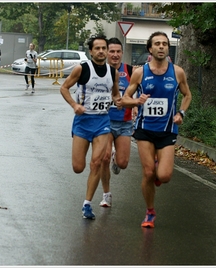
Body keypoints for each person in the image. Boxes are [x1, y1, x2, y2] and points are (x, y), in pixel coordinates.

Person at [120, 31, 192, 228]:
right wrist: (136, 100)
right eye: (157, 44)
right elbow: (124, 99)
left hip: (168, 130)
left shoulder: (177, 72)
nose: (161, 46)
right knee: (149, 172)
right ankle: (150, 212)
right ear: (150, 49)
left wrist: (181, 114)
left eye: (164, 44)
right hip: (144, 129)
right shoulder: (140, 73)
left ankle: (160, 167)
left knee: (164, 176)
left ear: (168, 48)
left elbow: (187, 95)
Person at [59, 34, 121, 220]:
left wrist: (125, 102)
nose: (101, 51)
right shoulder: (82, 69)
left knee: (96, 163)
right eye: (98, 48)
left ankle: (87, 204)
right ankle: (88, 199)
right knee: (78, 167)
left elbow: (116, 95)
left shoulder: (113, 72)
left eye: (104, 48)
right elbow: (64, 88)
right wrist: (74, 105)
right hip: (83, 122)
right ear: (91, 51)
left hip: (102, 122)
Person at [98, 37, 137, 208]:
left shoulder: (130, 70)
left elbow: (144, 91)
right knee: (103, 158)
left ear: (122, 53)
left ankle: (116, 158)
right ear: (106, 53)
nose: (115, 55)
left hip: (124, 123)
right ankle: (106, 194)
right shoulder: (99, 71)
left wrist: (136, 106)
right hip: (104, 122)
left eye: (118, 52)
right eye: (111, 51)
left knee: (123, 163)